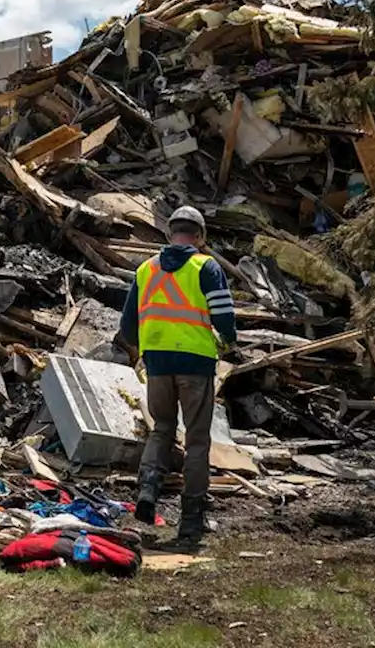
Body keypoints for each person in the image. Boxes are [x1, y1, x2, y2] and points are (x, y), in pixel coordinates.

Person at [117, 205, 236, 543]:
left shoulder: (145, 270)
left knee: (162, 429)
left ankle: (148, 491)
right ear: (200, 237)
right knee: (197, 440)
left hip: (157, 364)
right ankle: (191, 520)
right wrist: (227, 341)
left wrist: (149, 346)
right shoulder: (206, 266)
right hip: (196, 364)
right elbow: (225, 318)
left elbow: (127, 327)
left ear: (169, 235)